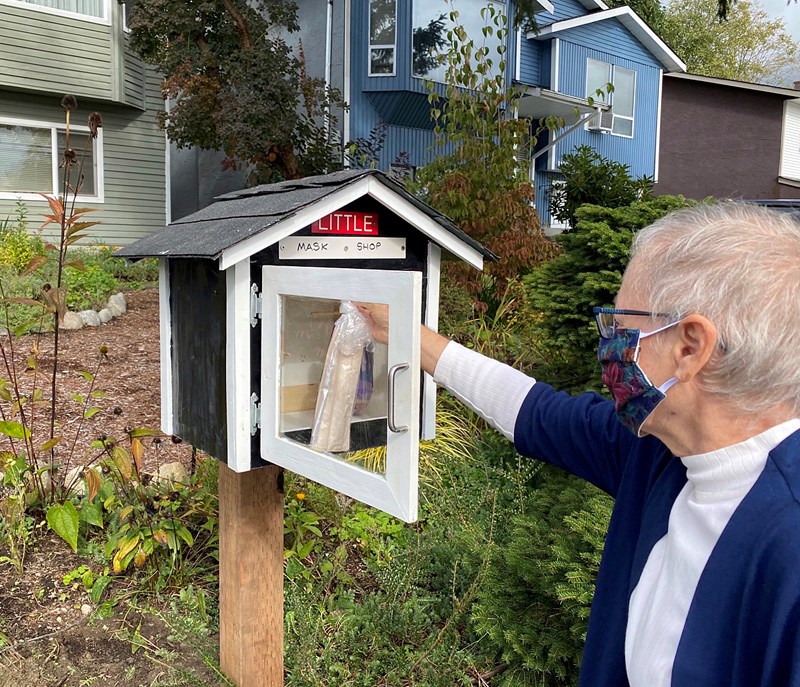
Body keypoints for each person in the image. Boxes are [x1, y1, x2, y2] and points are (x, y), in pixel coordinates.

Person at [359, 202, 800, 687]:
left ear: (690, 347)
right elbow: (534, 413)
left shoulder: (785, 550)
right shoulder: (665, 450)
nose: (607, 347)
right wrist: (403, 332)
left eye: (620, 326)